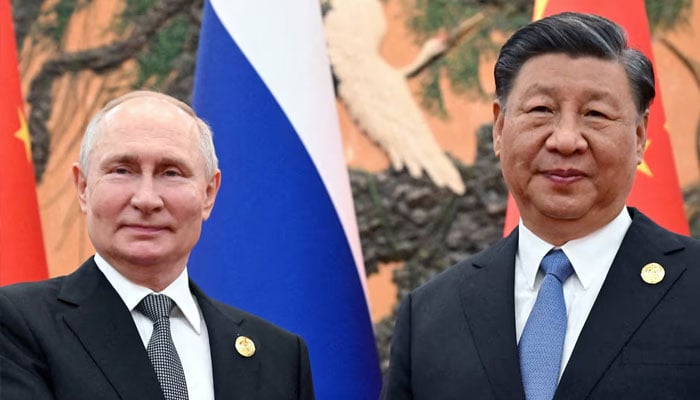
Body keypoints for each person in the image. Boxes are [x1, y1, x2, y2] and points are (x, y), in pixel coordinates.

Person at [381, 12, 700, 399]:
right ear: (500, 129)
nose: (565, 140)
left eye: (595, 114)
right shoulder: (431, 313)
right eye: (541, 111)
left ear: (638, 137)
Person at [0, 91, 315, 399]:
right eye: (122, 170)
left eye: (171, 173)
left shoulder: (279, 355)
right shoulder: (17, 325)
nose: (146, 199)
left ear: (208, 194)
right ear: (83, 187)